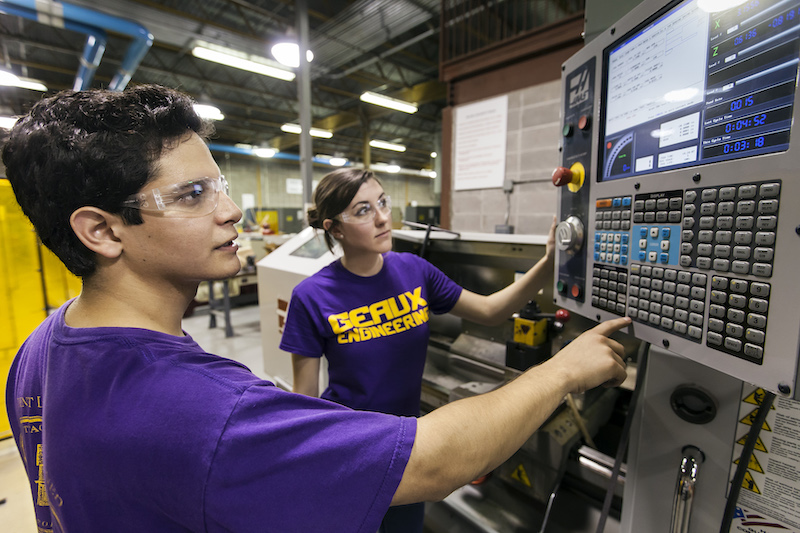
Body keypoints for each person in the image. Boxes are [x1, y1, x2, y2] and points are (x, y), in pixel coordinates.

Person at [3, 84, 630, 533]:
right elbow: (438, 459)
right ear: (103, 232)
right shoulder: (210, 410)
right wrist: (565, 369)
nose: (232, 212)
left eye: (219, 185)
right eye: (194, 195)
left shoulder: (39, 349)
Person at [280, 168, 560, 532]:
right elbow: (307, 405)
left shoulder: (414, 270)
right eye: (363, 210)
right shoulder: (312, 297)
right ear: (335, 228)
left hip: (408, 446)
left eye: (382, 202)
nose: (383, 217)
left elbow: (491, 312)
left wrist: (548, 263)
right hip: (351, 449)